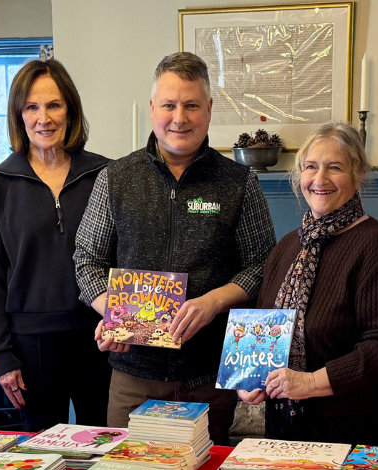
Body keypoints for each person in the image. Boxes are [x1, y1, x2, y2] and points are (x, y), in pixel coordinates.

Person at [74, 52, 277, 446]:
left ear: (209, 110)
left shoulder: (240, 182)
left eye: (191, 105)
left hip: (208, 381)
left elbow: (262, 265)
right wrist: (114, 314)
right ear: (152, 108)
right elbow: (87, 262)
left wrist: (213, 302)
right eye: (169, 105)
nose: (179, 118)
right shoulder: (116, 178)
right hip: (132, 379)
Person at [238, 122, 378, 446]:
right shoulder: (288, 246)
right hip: (282, 429)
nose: (320, 180)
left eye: (335, 168)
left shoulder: (376, 246)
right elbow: (260, 328)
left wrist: (310, 383)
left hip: (349, 435)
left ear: (358, 173)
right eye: (311, 167)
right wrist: (250, 379)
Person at [0, 58, 111, 431]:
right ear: (19, 115)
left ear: (70, 110)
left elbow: (122, 257)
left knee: (104, 448)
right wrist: (2, 354)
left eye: (54, 105)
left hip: (98, 336)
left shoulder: (104, 175)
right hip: (30, 345)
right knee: (40, 458)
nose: (44, 118)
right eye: (32, 107)